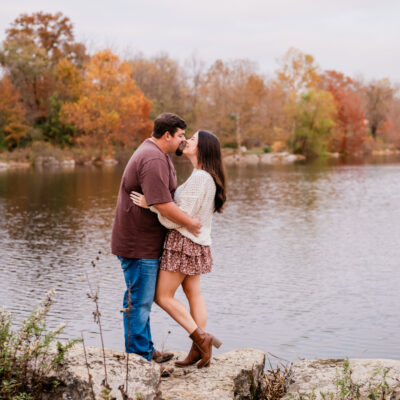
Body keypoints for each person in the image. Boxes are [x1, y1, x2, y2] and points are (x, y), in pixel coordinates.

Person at [130, 130, 226, 368]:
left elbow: (177, 219)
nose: (187, 141)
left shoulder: (200, 178)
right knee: (194, 293)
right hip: (197, 242)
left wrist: (151, 205)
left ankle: (201, 338)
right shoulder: (203, 176)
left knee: (162, 296)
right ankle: (198, 349)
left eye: (192, 139)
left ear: (202, 148)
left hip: (183, 242)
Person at [111, 113, 202, 363]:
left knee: (141, 299)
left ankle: (145, 349)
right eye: (181, 135)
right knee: (138, 301)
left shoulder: (158, 154)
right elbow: (163, 203)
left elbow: (162, 199)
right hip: (138, 244)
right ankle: (139, 357)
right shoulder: (152, 159)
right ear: (167, 135)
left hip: (145, 243)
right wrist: (191, 222)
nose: (183, 140)